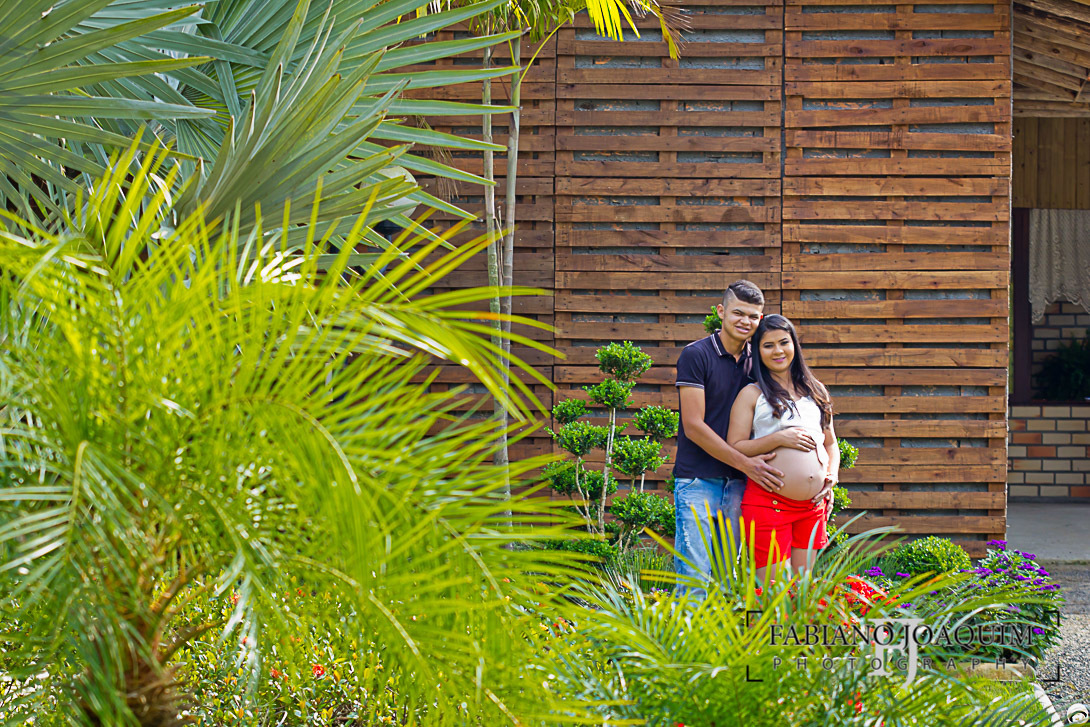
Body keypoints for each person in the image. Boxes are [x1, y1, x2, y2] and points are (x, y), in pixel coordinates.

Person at [673, 280, 785, 596]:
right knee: (694, 579)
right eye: (738, 313)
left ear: (760, 319)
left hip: (739, 485)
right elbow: (693, 426)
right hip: (697, 481)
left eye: (752, 316)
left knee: (725, 581)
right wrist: (747, 464)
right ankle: (686, 630)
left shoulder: (759, 361)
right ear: (722, 311)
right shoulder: (696, 355)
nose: (744, 321)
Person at [728, 314, 840, 583]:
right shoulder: (752, 394)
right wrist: (780, 438)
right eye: (768, 345)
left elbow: (830, 443)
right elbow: (735, 446)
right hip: (769, 501)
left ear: (794, 345)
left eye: (783, 342)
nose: (778, 351)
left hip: (811, 506)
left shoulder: (816, 390)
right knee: (775, 593)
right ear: (758, 352)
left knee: (803, 591)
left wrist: (832, 476)